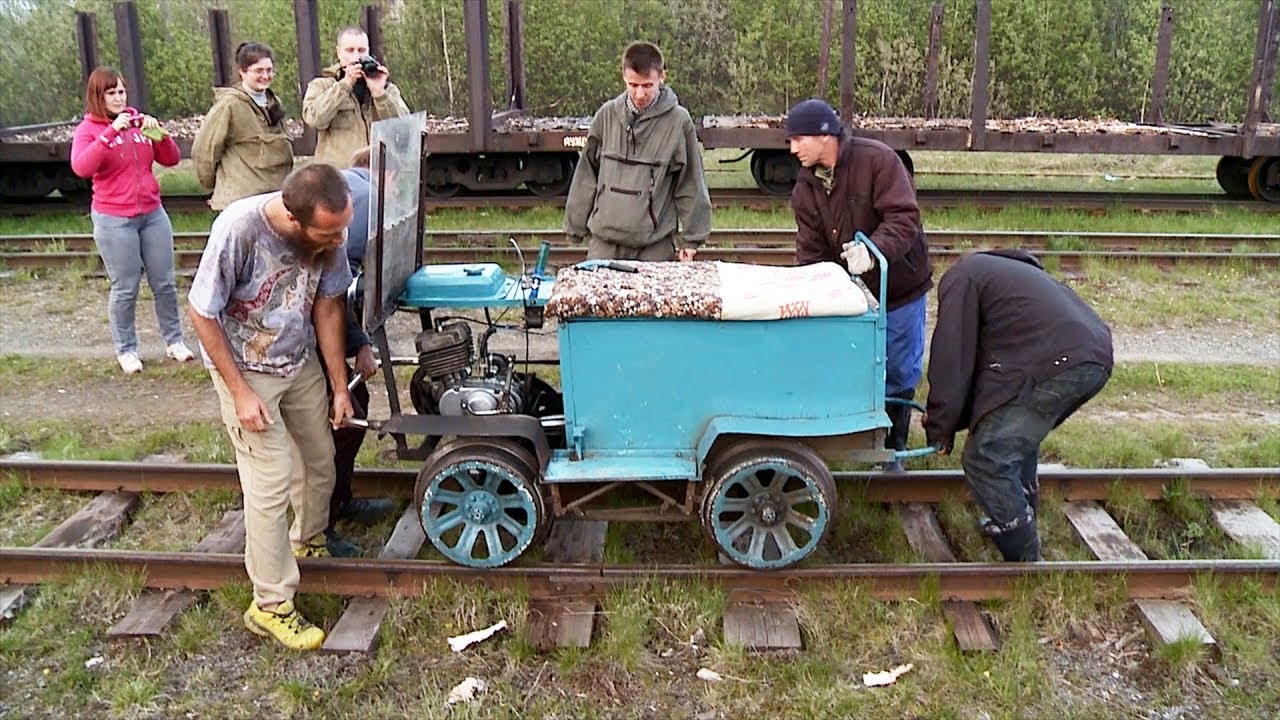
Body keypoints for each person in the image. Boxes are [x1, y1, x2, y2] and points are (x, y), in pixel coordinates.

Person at [187, 164, 356, 650]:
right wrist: (239, 391)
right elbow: (201, 311)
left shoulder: (330, 235)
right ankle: (270, 604)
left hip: (295, 359)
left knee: (320, 458)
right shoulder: (239, 229)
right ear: (292, 218)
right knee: (271, 480)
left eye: (342, 228)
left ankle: (307, 539)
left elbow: (327, 305)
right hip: (245, 367)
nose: (337, 239)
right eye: (327, 232)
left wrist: (339, 385)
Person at [923, 249, 1112, 562]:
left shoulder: (960, 278)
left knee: (986, 457)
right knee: (1012, 439)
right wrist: (951, 421)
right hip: (1091, 353)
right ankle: (1019, 518)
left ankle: (1024, 560)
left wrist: (939, 429)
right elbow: (984, 379)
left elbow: (952, 359)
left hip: (1058, 360)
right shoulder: (1000, 276)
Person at [786, 98, 932, 471]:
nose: (792, 148)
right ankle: (854, 437)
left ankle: (893, 451)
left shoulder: (878, 160)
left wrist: (874, 250)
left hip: (899, 287)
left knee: (898, 369)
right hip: (850, 297)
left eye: (798, 139)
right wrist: (815, 289)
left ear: (824, 134)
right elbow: (811, 249)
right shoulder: (806, 187)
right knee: (853, 364)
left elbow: (904, 217)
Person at [70, 66, 194, 374]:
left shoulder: (138, 123)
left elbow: (171, 158)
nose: (117, 98)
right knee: (125, 286)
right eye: (110, 93)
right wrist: (111, 133)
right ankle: (126, 349)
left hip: (152, 213)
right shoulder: (90, 130)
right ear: (98, 97)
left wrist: (159, 133)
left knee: (164, 282)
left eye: (121, 91)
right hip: (114, 218)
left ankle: (174, 340)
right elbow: (82, 167)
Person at [563, 41, 711, 262]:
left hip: (654, 245)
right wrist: (575, 225)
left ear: (662, 77)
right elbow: (586, 174)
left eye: (647, 86)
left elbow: (690, 181)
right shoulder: (606, 116)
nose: (640, 94)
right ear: (623, 77)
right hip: (605, 243)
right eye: (633, 85)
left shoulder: (679, 122)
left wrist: (691, 239)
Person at [319, 146, 394, 557]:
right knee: (329, 422)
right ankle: (318, 527)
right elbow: (327, 299)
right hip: (295, 335)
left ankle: (340, 499)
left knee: (355, 402)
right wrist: (355, 348)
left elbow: (337, 292)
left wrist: (360, 342)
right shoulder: (362, 201)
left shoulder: (350, 191)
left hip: (322, 319)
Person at [192, 42, 294, 210]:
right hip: (241, 203)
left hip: (273, 199)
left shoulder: (274, 103)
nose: (265, 76)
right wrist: (216, 186)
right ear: (242, 71)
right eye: (258, 71)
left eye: (269, 70)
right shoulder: (229, 105)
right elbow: (205, 151)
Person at [302, 26, 410, 168]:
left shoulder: (386, 88)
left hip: (378, 174)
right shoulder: (322, 86)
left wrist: (379, 94)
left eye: (361, 50)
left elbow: (404, 127)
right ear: (339, 53)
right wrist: (345, 85)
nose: (356, 57)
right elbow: (313, 118)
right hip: (339, 177)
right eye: (350, 50)